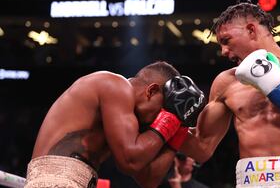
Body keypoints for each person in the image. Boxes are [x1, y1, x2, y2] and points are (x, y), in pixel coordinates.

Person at [181, 0, 280, 188]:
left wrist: (276, 89)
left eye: (226, 41)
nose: (224, 51)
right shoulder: (226, 82)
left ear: (251, 30)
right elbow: (202, 147)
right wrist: (165, 121)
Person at [24, 61, 205, 188]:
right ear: (151, 90)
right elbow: (130, 160)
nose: (155, 121)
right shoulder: (114, 84)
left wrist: (180, 125)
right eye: (160, 112)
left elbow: (148, 179)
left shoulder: (125, 118)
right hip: (55, 179)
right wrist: (171, 117)